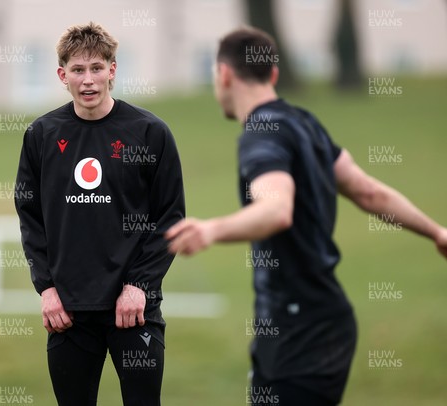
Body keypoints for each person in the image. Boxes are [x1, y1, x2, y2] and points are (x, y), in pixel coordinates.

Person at [165, 26, 447, 406]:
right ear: (274, 75)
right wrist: (437, 232)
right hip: (328, 319)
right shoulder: (304, 122)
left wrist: (212, 229)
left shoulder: (260, 136)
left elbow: (277, 209)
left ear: (225, 75)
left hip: (297, 331)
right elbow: (368, 191)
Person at [15, 22, 185, 406]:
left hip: (134, 309)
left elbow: (170, 218)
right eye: (77, 70)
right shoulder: (41, 135)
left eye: (96, 68)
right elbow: (30, 218)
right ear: (63, 75)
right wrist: (47, 289)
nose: (87, 80)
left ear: (113, 69)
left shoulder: (148, 133)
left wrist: (138, 285)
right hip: (68, 314)